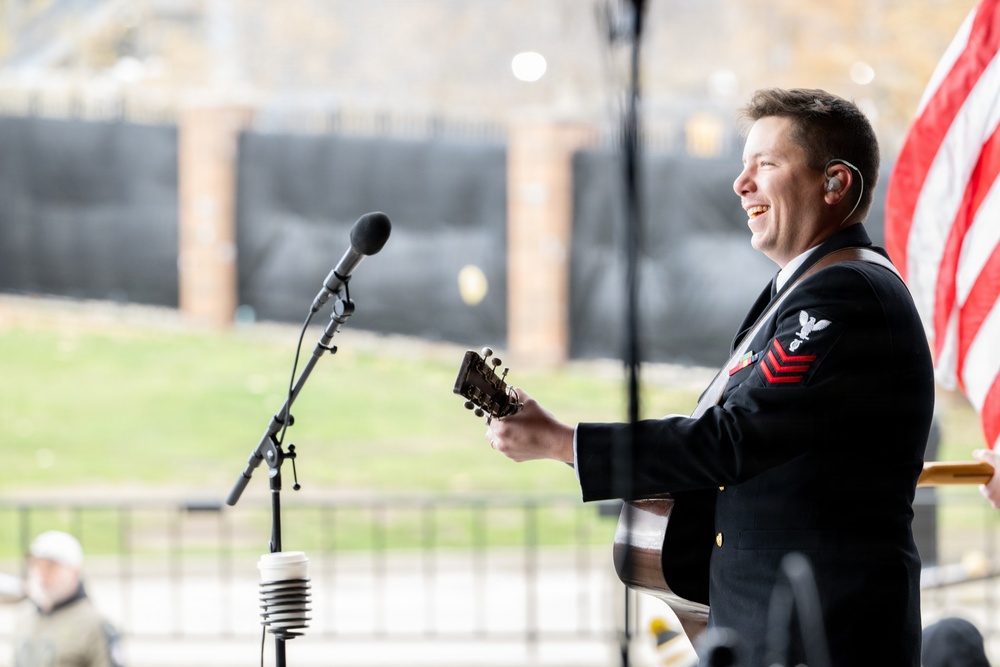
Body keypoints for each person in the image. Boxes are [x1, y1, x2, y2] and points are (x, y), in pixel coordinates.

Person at [485, 88, 935, 666]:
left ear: (835, 183)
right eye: (744, 165)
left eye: (765, 164)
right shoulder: (803, 291)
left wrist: (564, 442)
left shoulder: (844, 295)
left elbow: (736, 438)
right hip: (768, 630)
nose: (740, 183)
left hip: (820, 635)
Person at [13, 530, 124, 667]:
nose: (42, 574)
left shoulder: (94, 625)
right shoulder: (25, 619)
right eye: (37, 565)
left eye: (51, 567)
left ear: (74, 572)